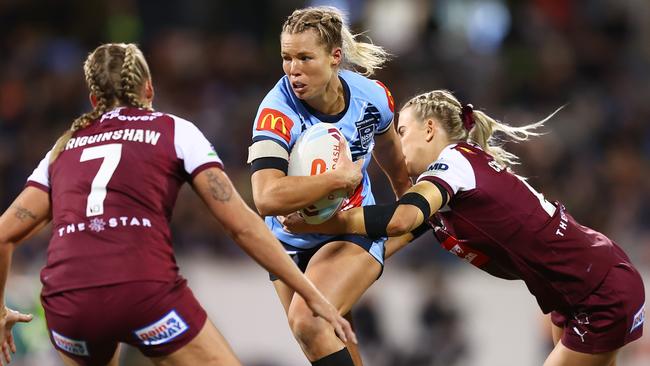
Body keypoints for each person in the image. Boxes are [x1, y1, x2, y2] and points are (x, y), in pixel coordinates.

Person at [0, 43, 356, 366]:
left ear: (93, 100)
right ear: (149, 90)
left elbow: (4, 235)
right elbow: (241, 225)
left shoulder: (61, 149)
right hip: (142, 292)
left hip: (68, 305)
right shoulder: (174, 130)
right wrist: (311, 294)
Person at [284, 89, 646, 366]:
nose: (396, 145)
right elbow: (385, 239)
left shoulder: (452, 163)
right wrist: (322, 249)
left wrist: (325, 219)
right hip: (578, 289)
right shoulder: (457, 183)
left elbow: (399, 219)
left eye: (402, 132)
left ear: (430, 130)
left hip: (597, 292)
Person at [247, 6, 411, 366]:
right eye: (286, 58)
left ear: (336, 57)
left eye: (305, 57)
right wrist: (337, 178)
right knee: (331, 340)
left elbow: (393, 158)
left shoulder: (373, 97)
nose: (293, 70)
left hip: (347, 229)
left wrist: (408, 213)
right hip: (288, 243)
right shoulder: (275, 112)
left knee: (308, 321)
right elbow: (265, 197)